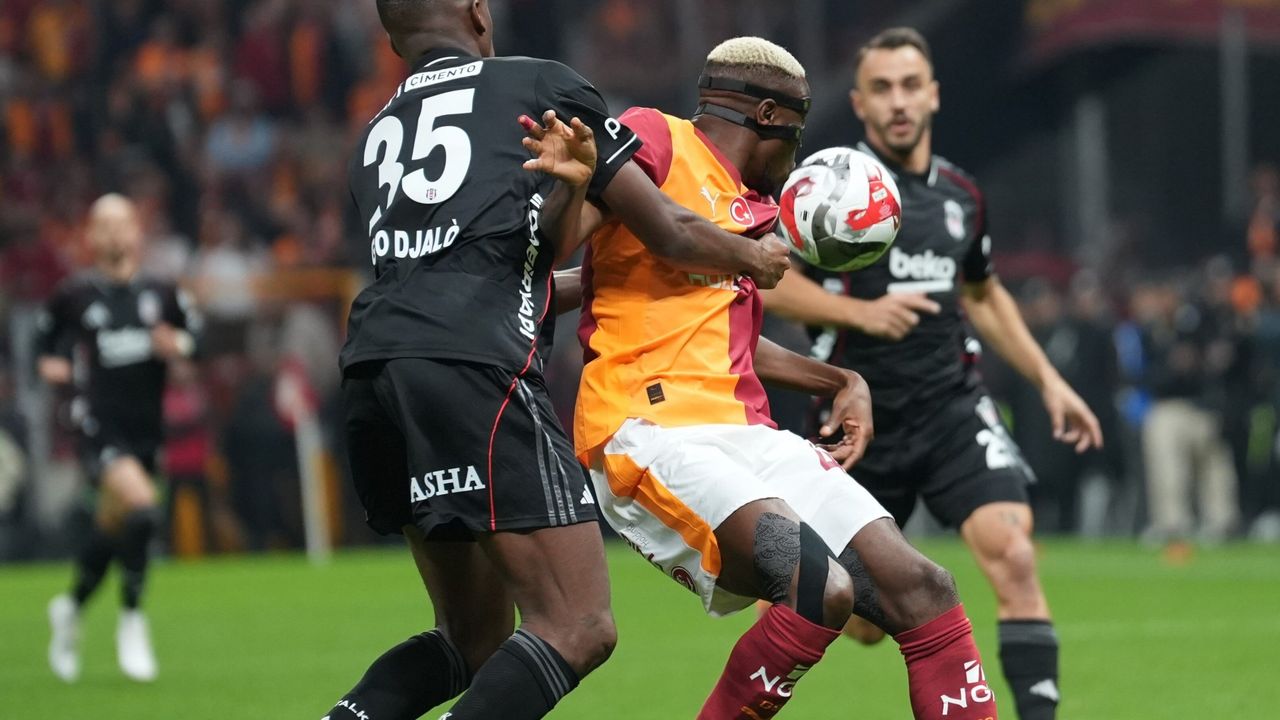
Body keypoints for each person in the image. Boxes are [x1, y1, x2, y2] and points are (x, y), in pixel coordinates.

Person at [325, 2, 789, 719]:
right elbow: (667, 229)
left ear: (393, 36)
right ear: (478, 10)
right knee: (578, 624)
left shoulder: (375, 133)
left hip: (374, 369)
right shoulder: (536, 86)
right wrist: (752, 256)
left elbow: (491, 267)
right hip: (474, 368)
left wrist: (585, 240)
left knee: (471, 636)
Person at [566, 37, 998, 719]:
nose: (795, 158)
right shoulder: (656, 137)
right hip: (646, 429)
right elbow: (612, 238)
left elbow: (728, 337)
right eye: (795, 136)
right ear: (766, 115)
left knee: (925, 586)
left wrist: (839, 379)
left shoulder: (754, 207)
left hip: (747, 433)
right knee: (820, 587)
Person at [761, 28, 1103, 720]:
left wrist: (1049, 381)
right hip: (858, 421)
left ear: (934, 95)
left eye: (911, 85)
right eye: (882, 88)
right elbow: (766, 280)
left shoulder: (960, 195)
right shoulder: (829, 186)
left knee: (1014, 553)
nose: (899, 101)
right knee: (860, 620)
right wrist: (859, 312)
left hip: (952, 407)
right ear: (860, 103)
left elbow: (984, 293)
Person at [39, 193, 202, 683]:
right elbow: (45, 345)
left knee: (115, 527)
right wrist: (52, 367)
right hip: (97, 425)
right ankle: (132, 619)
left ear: (136, 231)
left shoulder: (161, 292)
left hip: (145, 430)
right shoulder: (73, 295)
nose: (113, 232)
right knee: (144, 508)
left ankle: (70, 608)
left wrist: (179, 345)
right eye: (103, 224)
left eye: (121, 223)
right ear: (90, 235)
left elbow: (197, 338)